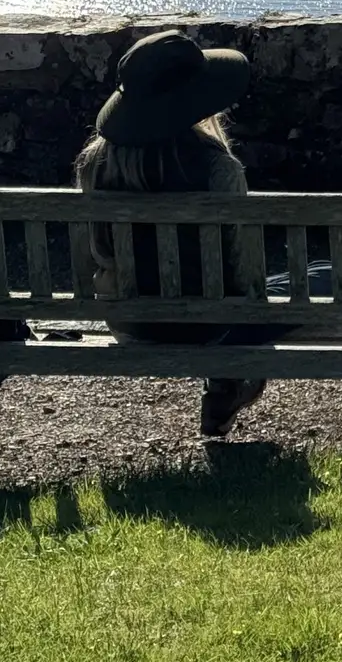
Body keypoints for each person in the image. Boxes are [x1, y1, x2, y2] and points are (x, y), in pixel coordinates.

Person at [76, 28, 271, 438]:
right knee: (318, 274)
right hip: (211, 325)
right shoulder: (218, 169)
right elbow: (243, 268)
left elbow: (100, 254)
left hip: (131, 322)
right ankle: (226, 383)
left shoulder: (95, 164)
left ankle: (224, 385)